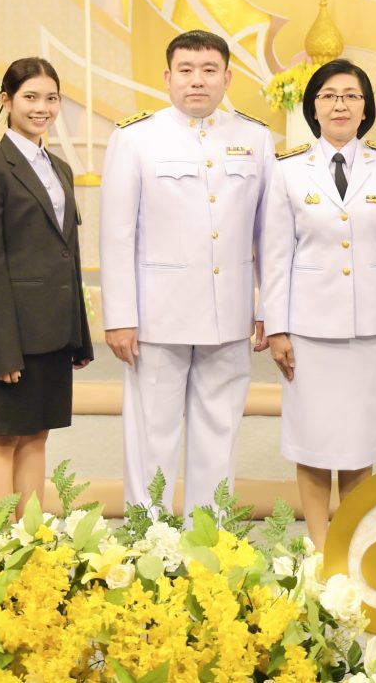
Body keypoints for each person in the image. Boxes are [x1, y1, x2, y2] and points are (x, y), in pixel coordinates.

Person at [99, 30, 275, 513]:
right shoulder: (135, 137)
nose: (198, 80)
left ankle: (210, 537)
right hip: (157, 317)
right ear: (167, 77)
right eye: (186, 70)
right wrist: (120, 316)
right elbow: (116, 235)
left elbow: (270, 235)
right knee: (151, 436)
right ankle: (146, 538)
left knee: (220, 431)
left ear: (227, 78)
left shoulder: (255, 138)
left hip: (229, 314)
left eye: (209, 70)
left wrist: (269, 307)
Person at [261, 59, 376, 546]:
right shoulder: (288, 170)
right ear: (313, 108)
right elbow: (276, 253)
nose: (340, 105)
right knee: (313, 441)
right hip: (309, 328)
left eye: (351, 95)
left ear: (365, 108)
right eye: (328, 96)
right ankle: (319, 546)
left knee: (359, 442)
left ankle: (351, 542)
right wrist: (276, 327)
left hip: (373, 326)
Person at [0, 58, 93, 511]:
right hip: (12, 330)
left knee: (36, 435)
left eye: (51, 98)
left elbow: (67, 255)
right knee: (1, 437)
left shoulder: (60, 168)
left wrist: (78, 334)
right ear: (7, 100)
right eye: (30, 97)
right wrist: (3, 346)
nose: (42, 108)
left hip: (53, 330)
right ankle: (0, 540)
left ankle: (30, 537)